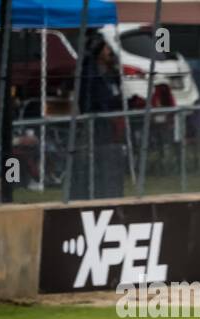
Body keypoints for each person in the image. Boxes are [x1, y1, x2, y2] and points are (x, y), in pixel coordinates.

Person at [70, 34, 124, 200]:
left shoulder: (110, 72)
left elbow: (114, 94)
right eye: (106, 48)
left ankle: (107, 190)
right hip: (94, 123)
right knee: (91, 159)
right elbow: (89, 98)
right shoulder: (89, 71)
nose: (109, 51)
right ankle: (89, 192)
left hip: (108, 124)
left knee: (108, 159)